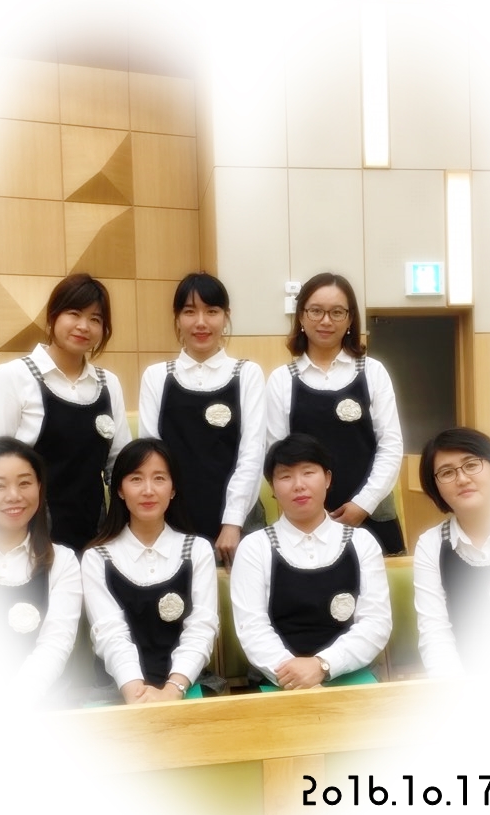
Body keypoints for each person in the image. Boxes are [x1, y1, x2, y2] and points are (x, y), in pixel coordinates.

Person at [0, 273, 131, 554]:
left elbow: (119, 465)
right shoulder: (14, 376)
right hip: (31, 536)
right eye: (74, 314)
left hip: (94, 534)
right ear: (53, 317)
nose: (83, 326)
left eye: (95, 319)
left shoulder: (108, 383)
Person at [230, 434, 391, 690]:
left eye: (308, 473)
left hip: (350, 674)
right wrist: (296, 677)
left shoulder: (361, 542)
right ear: (272, 488)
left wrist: (322, 666)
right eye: (285, 476)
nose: (299, 485)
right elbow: (252, 628)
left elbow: (375, 623)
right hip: (278, 680)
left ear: (327, 479)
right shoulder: (254, 547)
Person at [266, 272, 405, 555]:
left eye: (337, 312)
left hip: (372, 515)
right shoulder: (282, 379)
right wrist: (312, 513)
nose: (326, 320)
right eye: (316, 311)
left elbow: (391, 445)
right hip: (306, 521)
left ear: (350, 318)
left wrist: (363, 504)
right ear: (301, 316)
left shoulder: (372, 372)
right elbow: (276, 455)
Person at [138, 272, 266, 570]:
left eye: (211, 311)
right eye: (189, 311)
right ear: (177, 318)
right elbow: (151, 458)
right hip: (173, 521)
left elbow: (252, 453)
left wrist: (233, 522)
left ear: (226, 316)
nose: (200, 322)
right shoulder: (157, 376)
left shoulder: (246, 374)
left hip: (238, 521)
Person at [81, 438, 219, 703]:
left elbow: (201, 628)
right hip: (119, 689)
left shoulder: (197, 549)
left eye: (159, 479)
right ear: (120, 490)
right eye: (136, 479)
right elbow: (110, 635)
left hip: (186, 684)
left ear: (173, 489)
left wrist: (172, 690)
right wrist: (137, 694)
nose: (148, 490)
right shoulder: (97, 557)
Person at [0, 436, 83, 704]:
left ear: (40, 488)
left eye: (25, 483)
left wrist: (15, 702)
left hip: (42, 706)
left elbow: (56, 643)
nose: (14, 496)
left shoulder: (62, 561)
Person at [414, 427, 490, 678]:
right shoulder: (431, 544)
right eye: (447, 472)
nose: (462, 478)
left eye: (471, 465)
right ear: (434, 486)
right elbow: (435, 633)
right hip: (465, 684)